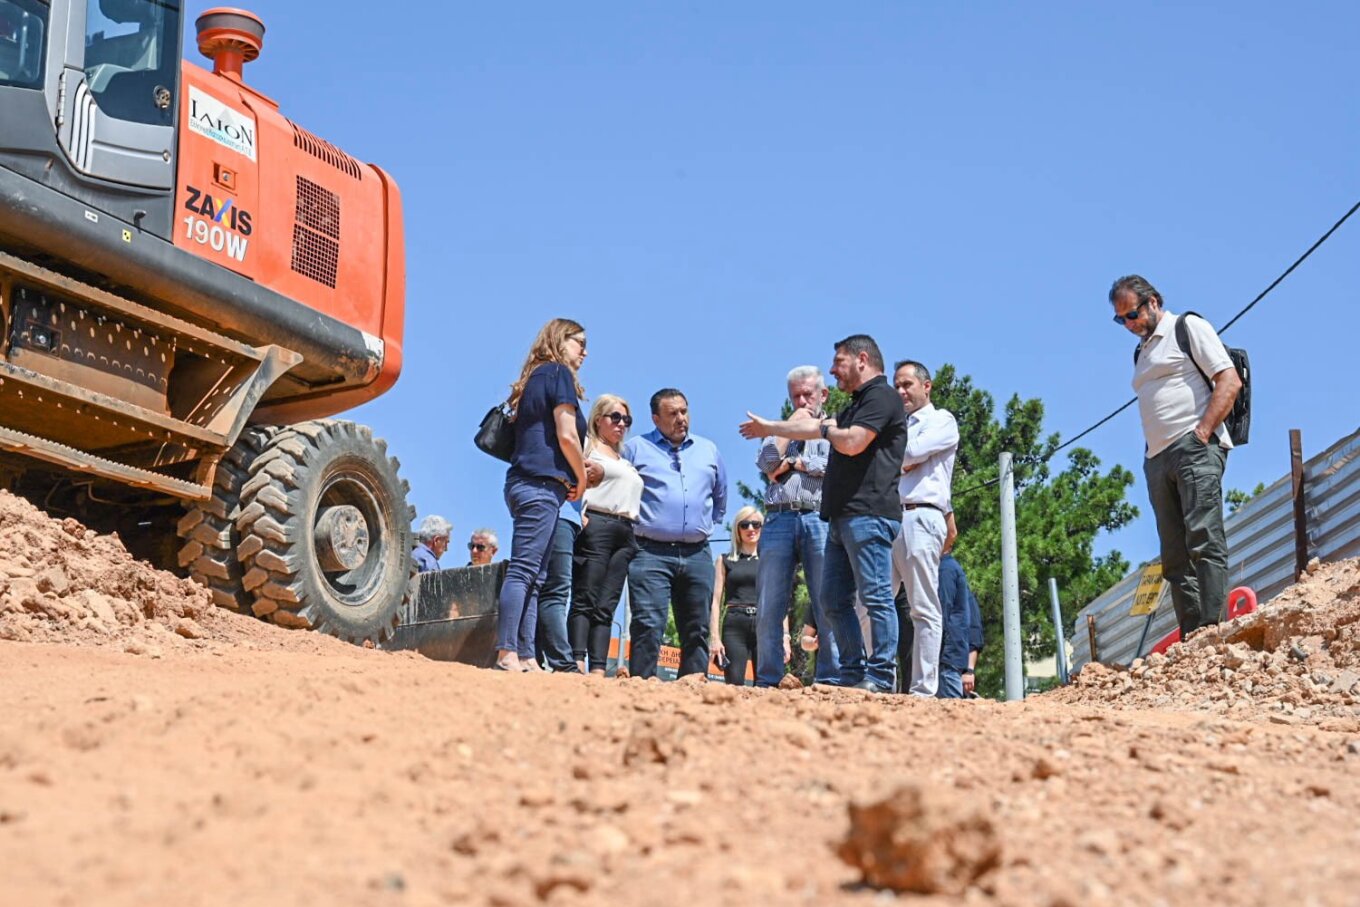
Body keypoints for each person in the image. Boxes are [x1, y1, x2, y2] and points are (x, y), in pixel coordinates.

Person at [740, 334, 906, 693]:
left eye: (839, 362)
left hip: (866, 512)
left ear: (862, 359)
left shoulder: (881, 397)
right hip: (836, 517)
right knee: (831, 600)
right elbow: (771, 459)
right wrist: (773, 427)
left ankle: (879, 676)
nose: (833, 370)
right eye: (795, 396)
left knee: (876, 596)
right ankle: (851, 674)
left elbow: (850, 443)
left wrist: (809, 448)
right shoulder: (853, 407)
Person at [1111, 275, 1241, 639]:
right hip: (1158, 458)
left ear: (1153, 301)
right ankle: (1192, 636)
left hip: (1193, 448)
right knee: (1174, 555)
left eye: (1132, 314)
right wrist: (1151, 454)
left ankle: (1213, 628)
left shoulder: (1187, 327)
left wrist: (1202, 433)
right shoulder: (1141, 352)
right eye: (1121, 319)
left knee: (1204, 538)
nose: (1129, 324)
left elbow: (1229, 380)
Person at [494, 319, 589, 673]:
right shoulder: (558, 373)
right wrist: (582, 478)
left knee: (536, 577)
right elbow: (567, 434)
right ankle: (507, 651)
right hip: (540, 485)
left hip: (531, 485)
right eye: (580, 343)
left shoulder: (534, 376)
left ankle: (526, 655)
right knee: (525, 572)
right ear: (560, 340)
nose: (585, 352)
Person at [624, 388, 728, 679]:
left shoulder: (709, 450)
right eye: (672, 413)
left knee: (697, 628)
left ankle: (692, 689)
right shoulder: (635, 449)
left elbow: (720, 496)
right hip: (649, 552)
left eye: (684, 411)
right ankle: (641, 687)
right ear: (656, 419)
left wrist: (701, 527)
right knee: (648, 624)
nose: (681, 418)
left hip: (697, 553)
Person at [752, 366, 840, 688]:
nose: (802, 402)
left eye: (808, 395)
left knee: (827, 601)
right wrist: (790, 428)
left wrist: (796, 463)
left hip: (819, 517)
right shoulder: (778, 428)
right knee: (769, 603)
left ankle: (830, 678)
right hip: (778, 517)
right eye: (796, 396)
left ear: (823, 394)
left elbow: (837, 467)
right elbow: (765, 463)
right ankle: (768, 678)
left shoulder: (837, 427)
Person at [892, 360, 959, 697]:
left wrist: (896, 457)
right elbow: (900, 459)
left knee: (922, 606)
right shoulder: (897, 424)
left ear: (926, 386)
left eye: (907, 384)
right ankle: (878, 680)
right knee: (870, 603)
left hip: (922, 515)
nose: (901, 391)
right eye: (897, 386)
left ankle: (923, 689)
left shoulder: (942, 420)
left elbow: (909, 452)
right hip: (889, 517)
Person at [571, 394, 644, 675]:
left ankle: (599, 668)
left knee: (607, 605)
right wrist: (578, 512)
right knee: (585, 597)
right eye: (615, 417)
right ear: (598, 419)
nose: (621, 424)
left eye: (626, 419)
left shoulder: (624, 460)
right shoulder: (587, 447)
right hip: (597, 524)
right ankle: (577, 661)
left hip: (625, 531)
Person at [709, 506, 763, 686]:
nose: (750, 529)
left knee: (766, 684)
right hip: (734, 624)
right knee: (733, 684)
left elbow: (778, 601)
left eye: (756, 524)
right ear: (737, 529)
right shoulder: (724, 560)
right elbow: (715, 601)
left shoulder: (769, 561)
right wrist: (714, 638)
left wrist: (784, 636)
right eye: (744, 524)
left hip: (764, 624)